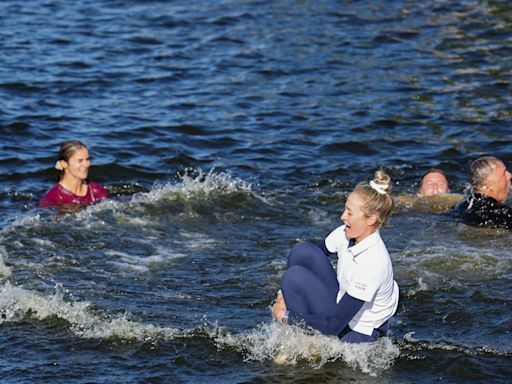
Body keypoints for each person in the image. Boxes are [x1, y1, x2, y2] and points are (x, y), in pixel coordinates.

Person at [272, 170, 399, 343]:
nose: (342, 216)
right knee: (302, 251)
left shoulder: (373, 263)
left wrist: (286, 316)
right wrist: (282, 297)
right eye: (345, 209)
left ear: (371, 220)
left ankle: (304, 340)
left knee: (294, 278)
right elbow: (310, 256)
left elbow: (334, 324)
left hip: (357, 331)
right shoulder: (346, 232)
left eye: (350, 212)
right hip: (341, 307)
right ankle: (302, 329)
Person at [40, 140, 110, 208]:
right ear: (64, 164)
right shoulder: (52, 199)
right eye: (80, 161)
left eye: (87, 159)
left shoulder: (97, 191)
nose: (86, 164)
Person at [454, 156, 512, 229]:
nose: (509, 176)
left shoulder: (462, 206)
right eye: (504, 173)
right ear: (488, 183)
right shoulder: (500, 212)